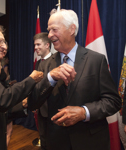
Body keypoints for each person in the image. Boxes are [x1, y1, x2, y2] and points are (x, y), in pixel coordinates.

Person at [28, 9, 121, 150]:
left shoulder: (96, 60)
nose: (50, 35)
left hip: (90, 142)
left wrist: (84, 112)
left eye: (54, 29)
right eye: (49, 30)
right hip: (56, 142)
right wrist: (51, 78)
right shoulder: (45, 64)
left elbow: (113, 101)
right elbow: (33, 102)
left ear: (72, 29)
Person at [28, 32, 52, 150]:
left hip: (52, 109)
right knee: (43, 139)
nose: (36, 48)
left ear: (47, 45)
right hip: (41, 109)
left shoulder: (55, 61)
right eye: (35, 45)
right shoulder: (38, 62)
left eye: (38, 44)